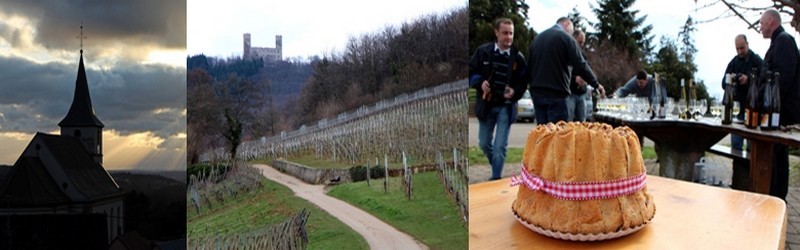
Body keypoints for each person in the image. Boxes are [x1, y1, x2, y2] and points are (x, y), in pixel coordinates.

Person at [469, 17, 528, 181]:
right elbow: (471, 72)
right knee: (484, 143)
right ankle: (495, 163)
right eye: (505, 33)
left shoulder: (518, 58)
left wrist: (515, 92)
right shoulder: (483, 52)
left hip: (506, 108)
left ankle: (495, 178)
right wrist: (480, 83)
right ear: (496, 33)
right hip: (487, 106)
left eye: (511, 33)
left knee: (500, 146)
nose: (508, 37)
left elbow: (524, 81)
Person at [529, 17, 605, 124]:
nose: (571, 33)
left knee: (542, 134)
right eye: (572, 30)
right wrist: (596, 84)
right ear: (567, 24)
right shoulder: (566, 38)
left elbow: (530, 67)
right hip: (557, 94)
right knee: (558, 135)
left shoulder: (537, 39)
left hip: (537, 93)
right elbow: (581, 64)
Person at [760, 9, 800, 200]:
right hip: (777, 111)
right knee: (775, 157)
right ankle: (774, 197)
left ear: (770, 21)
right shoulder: (778, 42)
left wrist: (769, 105)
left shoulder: (784, 41)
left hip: (781, 112)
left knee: (777, 158)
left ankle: (776, 199)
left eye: (761, 23)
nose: (760, 27)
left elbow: (783, 78)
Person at [722, 34, 763, 152]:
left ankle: (750, 170)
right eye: (737, 48)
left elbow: (765, 81)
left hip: (753, 110)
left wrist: (749, 80)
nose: (739, 51)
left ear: (747, 45)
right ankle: (738, 170)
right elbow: (723, 83)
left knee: (752, 150)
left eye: (742, 48)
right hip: (737, 112)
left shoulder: (757, 60)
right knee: (735, 149)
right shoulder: (734, 62)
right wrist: (732, 80)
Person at [567, 30, 590, 122]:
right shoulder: (567, 54)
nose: (582, 45)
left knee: (582, 122)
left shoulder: (583, 55)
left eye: (583, 43)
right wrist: (575, 79)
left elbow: (588, 70)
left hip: (581, 94)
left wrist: (586, 79)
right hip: (570, 93)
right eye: (580, 42)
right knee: (567, 122)